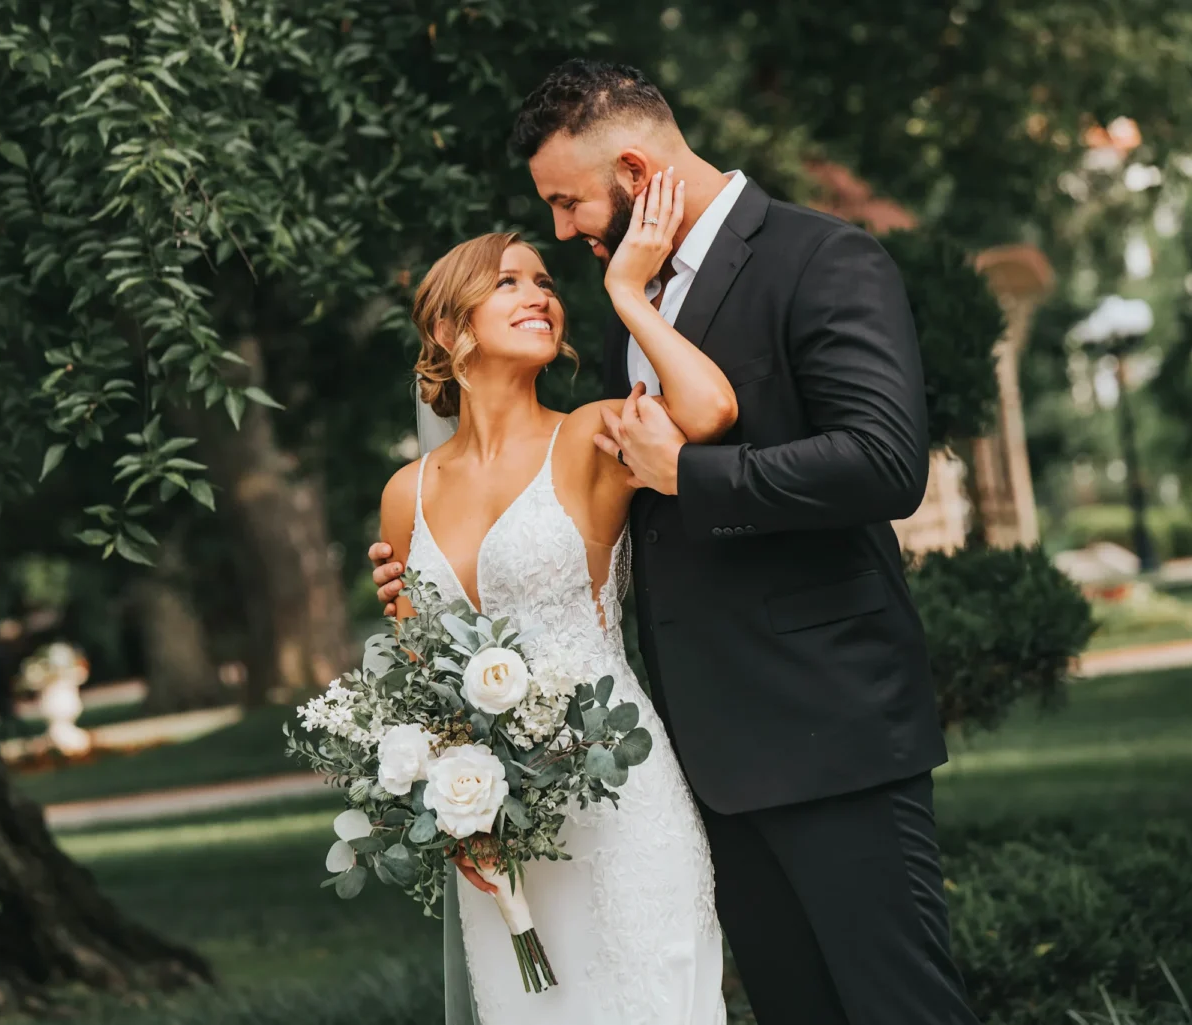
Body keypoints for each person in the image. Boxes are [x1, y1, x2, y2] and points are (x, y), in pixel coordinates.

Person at [370, 59, 981, 1025]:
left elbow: (884, 464)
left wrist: (690, 476)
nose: (564, 231)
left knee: (899, 1008)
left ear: (632, 165)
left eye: (568, 202)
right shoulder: (634, 302)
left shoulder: (821, 258)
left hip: (832, 728)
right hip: (700, 757)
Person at [378, 170, 733, 1023]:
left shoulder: (590, 436)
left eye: (544, 282)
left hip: (619, 808)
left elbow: (711, 410)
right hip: (497, 835)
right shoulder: (405, 491)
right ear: (446, 326)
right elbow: (422, 678)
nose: (539, 294)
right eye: (508, 282)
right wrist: (447, 801)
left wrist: (626, 292)